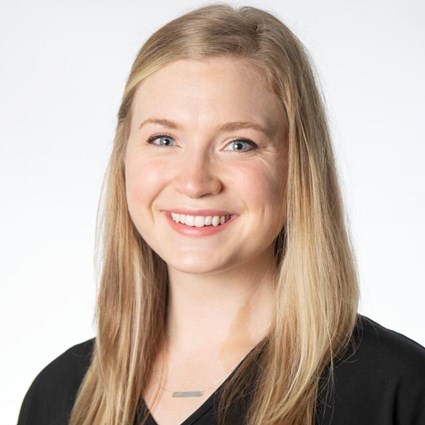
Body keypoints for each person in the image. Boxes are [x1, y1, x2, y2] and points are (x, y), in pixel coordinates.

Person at [17, 4, 425, 425]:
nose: (194, 181)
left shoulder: (398, 390)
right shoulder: (59, 394)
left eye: (239, 144)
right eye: (163, 139)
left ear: (298, 165)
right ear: (123, 155)